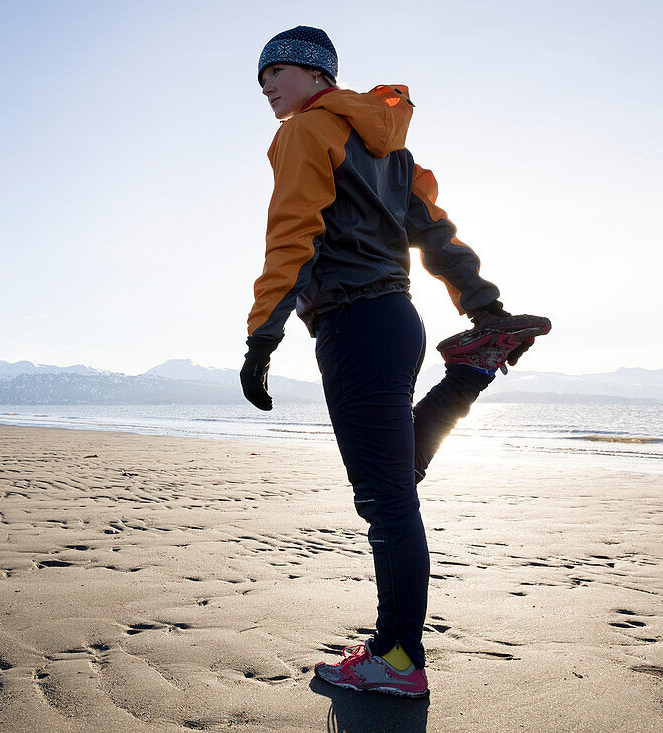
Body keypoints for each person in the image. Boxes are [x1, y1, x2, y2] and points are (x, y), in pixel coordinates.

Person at [239, 26, 550, 698]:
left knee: (386, 498)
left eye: (276, 70)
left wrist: (262, 334)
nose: (265, 85)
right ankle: (472, 366)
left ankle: (399, 658)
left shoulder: (305, 131)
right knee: (397, 473)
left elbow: (291, 230)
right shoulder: (391, 146)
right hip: (397, 321)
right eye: (259, 76)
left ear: (316, 74)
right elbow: (435, 232)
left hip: (353, 323)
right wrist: (483, 306)